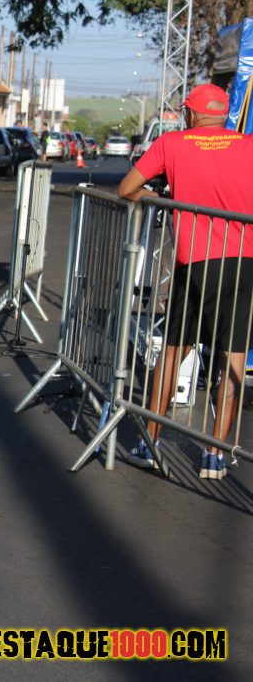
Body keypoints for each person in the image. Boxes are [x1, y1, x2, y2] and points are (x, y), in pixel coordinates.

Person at [117, 83, 253, 480]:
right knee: (233, 358)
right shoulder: (249, 145)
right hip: (244, 264)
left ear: (190, 114)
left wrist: (164, 200)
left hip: (194, 263)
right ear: (225, 114)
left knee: (174, 352)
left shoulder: (172, 143)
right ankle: (214, 455)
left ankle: (150, 441)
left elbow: (127, 189)